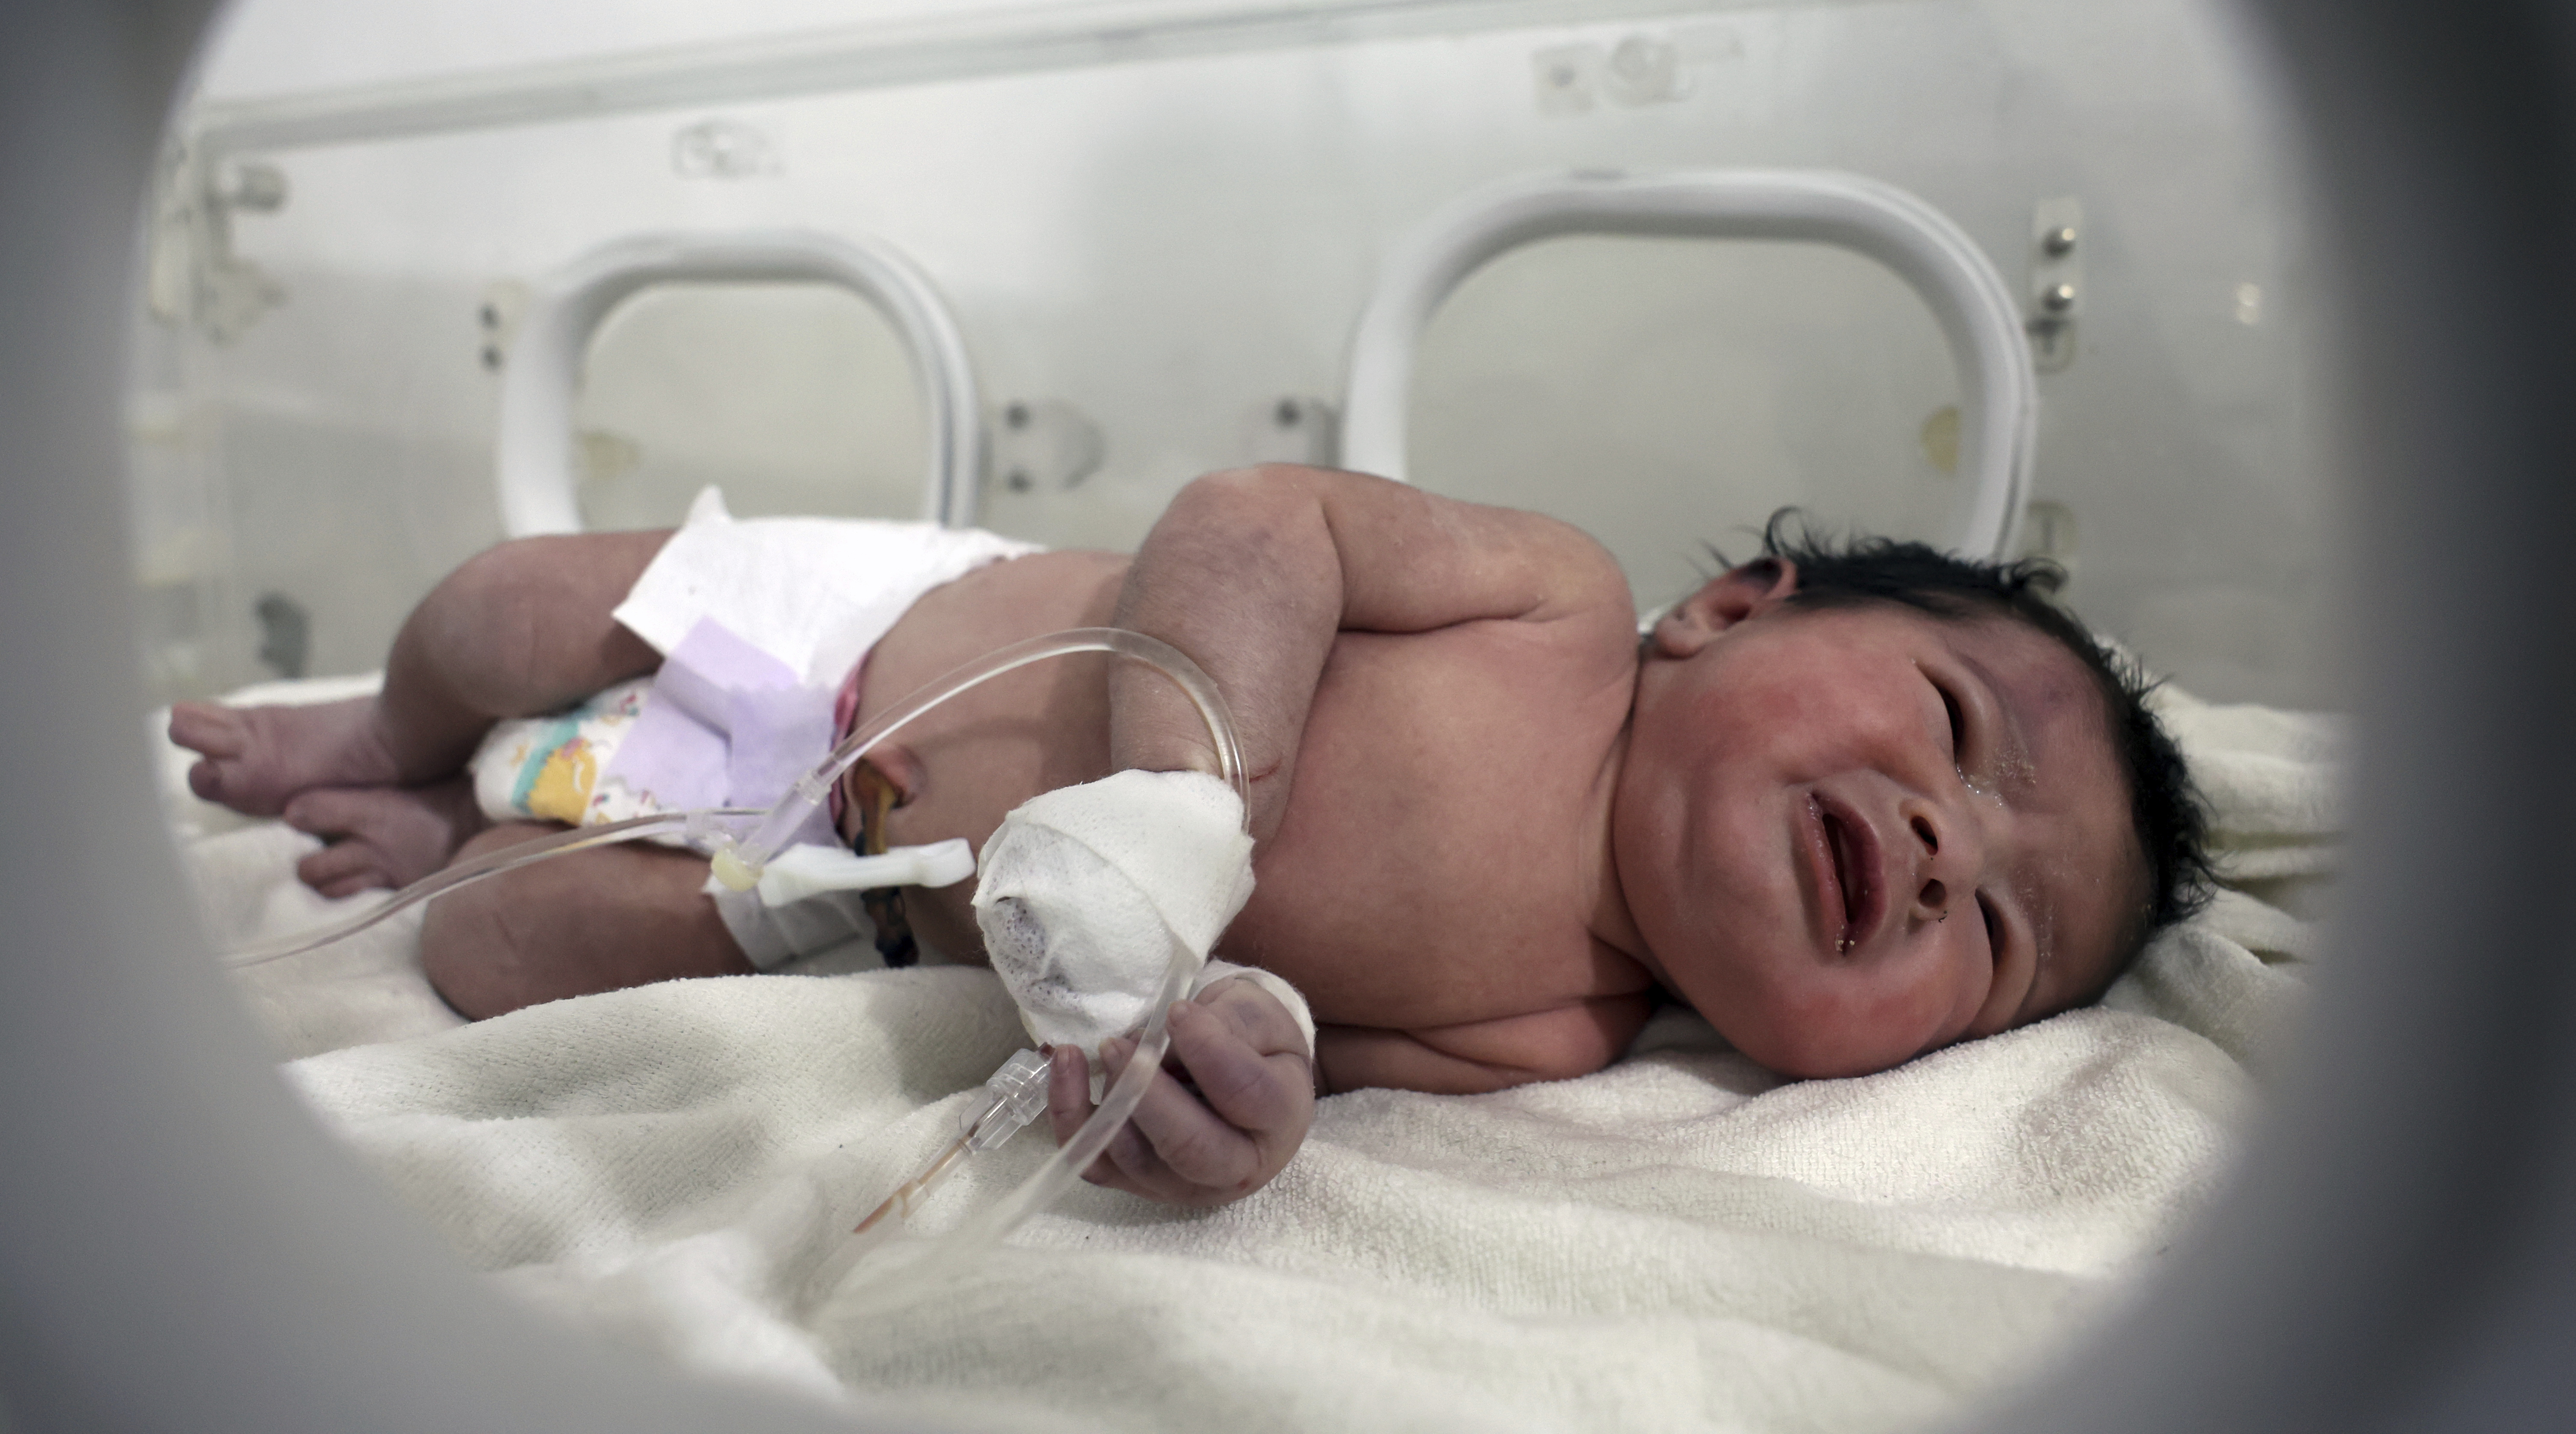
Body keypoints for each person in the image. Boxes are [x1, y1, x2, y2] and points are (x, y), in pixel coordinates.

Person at [171, 466, 2213, 1208]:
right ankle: (391, 730)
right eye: (1956, 731)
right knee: (511, 608)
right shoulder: (1556, 608)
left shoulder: (1559, 1029)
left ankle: (448, 825)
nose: (1951, 849)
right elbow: (1258, 523)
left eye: (2002, 942)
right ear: (1736, 611)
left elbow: (1279, 1032)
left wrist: (1219, 1085)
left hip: (860, 909)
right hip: (883, 643)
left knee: (487, 955)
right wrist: (1187, 798)